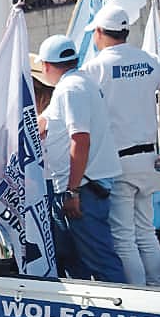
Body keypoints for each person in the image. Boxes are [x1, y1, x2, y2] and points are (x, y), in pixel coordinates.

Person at [79, 4, 160, 287]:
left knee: (123, 237)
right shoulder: (149, 60)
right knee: (145, 231)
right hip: (151, 160)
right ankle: (157, 288)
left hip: (118, 163)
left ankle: (141, 296)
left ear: (99, 33)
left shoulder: (94, 67)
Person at [37, 35, 126, 283]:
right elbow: (46, 122)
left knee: (100, 260)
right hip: (83, 185)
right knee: (77, 257)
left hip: (83, 188)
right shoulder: (79, 82)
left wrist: (72, 191)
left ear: (45, 66)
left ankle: (119, 313)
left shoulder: (70, 89)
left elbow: (80, 139)